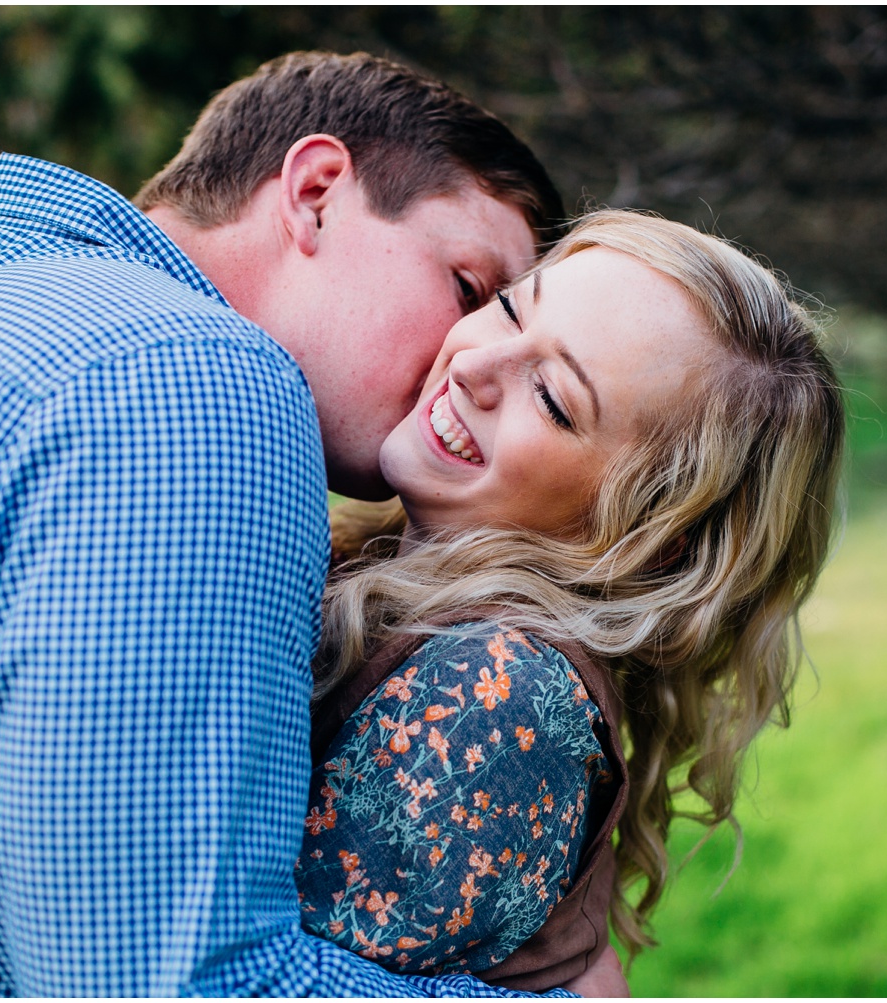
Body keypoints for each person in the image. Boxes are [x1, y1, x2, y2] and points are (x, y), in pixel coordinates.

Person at [0, 50, 603, 997]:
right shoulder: (193, 384)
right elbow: (149, 978)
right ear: (318, 190)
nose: (462, 357)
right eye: (466, 287)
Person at [293, 210, 846, 988]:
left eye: (552, 398)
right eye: (514, 305)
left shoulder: (499, 694)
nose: (476, 365)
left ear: (649, 535)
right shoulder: (381, 560)